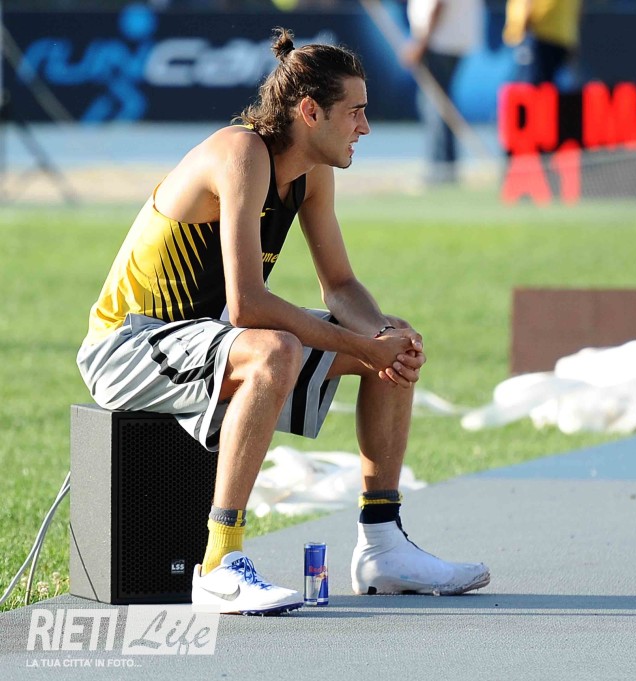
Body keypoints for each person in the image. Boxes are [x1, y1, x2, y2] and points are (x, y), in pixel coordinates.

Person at [76, 27, 490, 616]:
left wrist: (382, 340)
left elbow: (340, 285)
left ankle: (382, 546)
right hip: (128, 345)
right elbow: (248, 304)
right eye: (356, 112)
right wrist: (361, 346)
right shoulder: (241, 154)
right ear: (310, 111)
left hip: (209, 335)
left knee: (389, 337)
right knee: (275, 349)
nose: (366, 127)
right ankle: (219, 563)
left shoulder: (312, 172)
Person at [401, 0, 484, 184]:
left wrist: (421, 43)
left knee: (435, 105)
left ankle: (440, 168)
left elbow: (438, 5)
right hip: (451, 39)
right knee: (439, 103)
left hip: (439, 42)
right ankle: (446, 165)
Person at [503, 0, 582, 86]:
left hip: (541, 35)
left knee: (537, 85)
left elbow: (524, 4)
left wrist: (517, 28)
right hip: (565, 36)